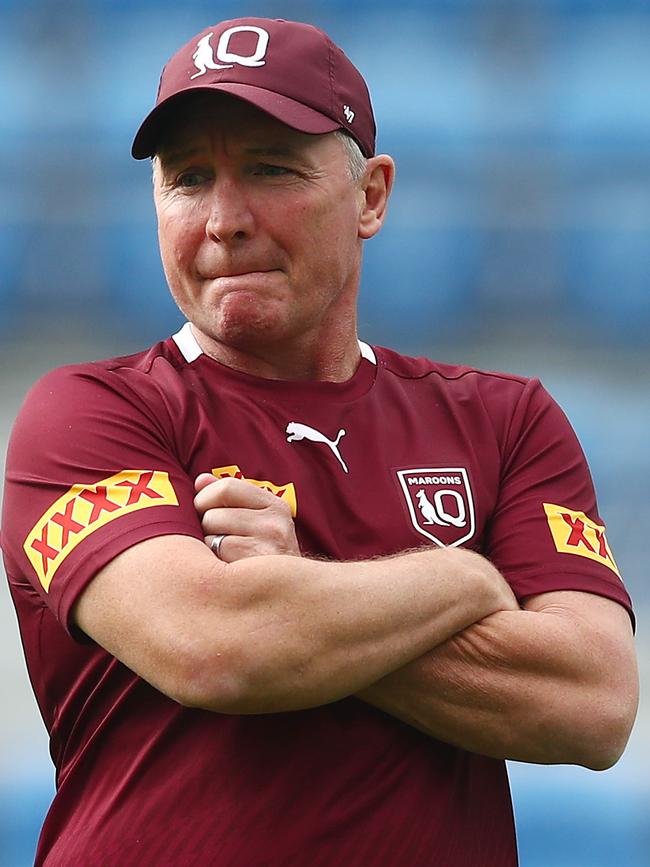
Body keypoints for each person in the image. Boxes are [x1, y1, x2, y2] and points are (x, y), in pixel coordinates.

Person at [1, 16, 638, 867]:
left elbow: (592, 703)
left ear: (371, 195)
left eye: (269, 168)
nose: (224, 219)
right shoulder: (87, 413)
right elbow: (220, 648)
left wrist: (304, 588)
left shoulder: (506, 420)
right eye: (189, 178)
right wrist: (464, 576)